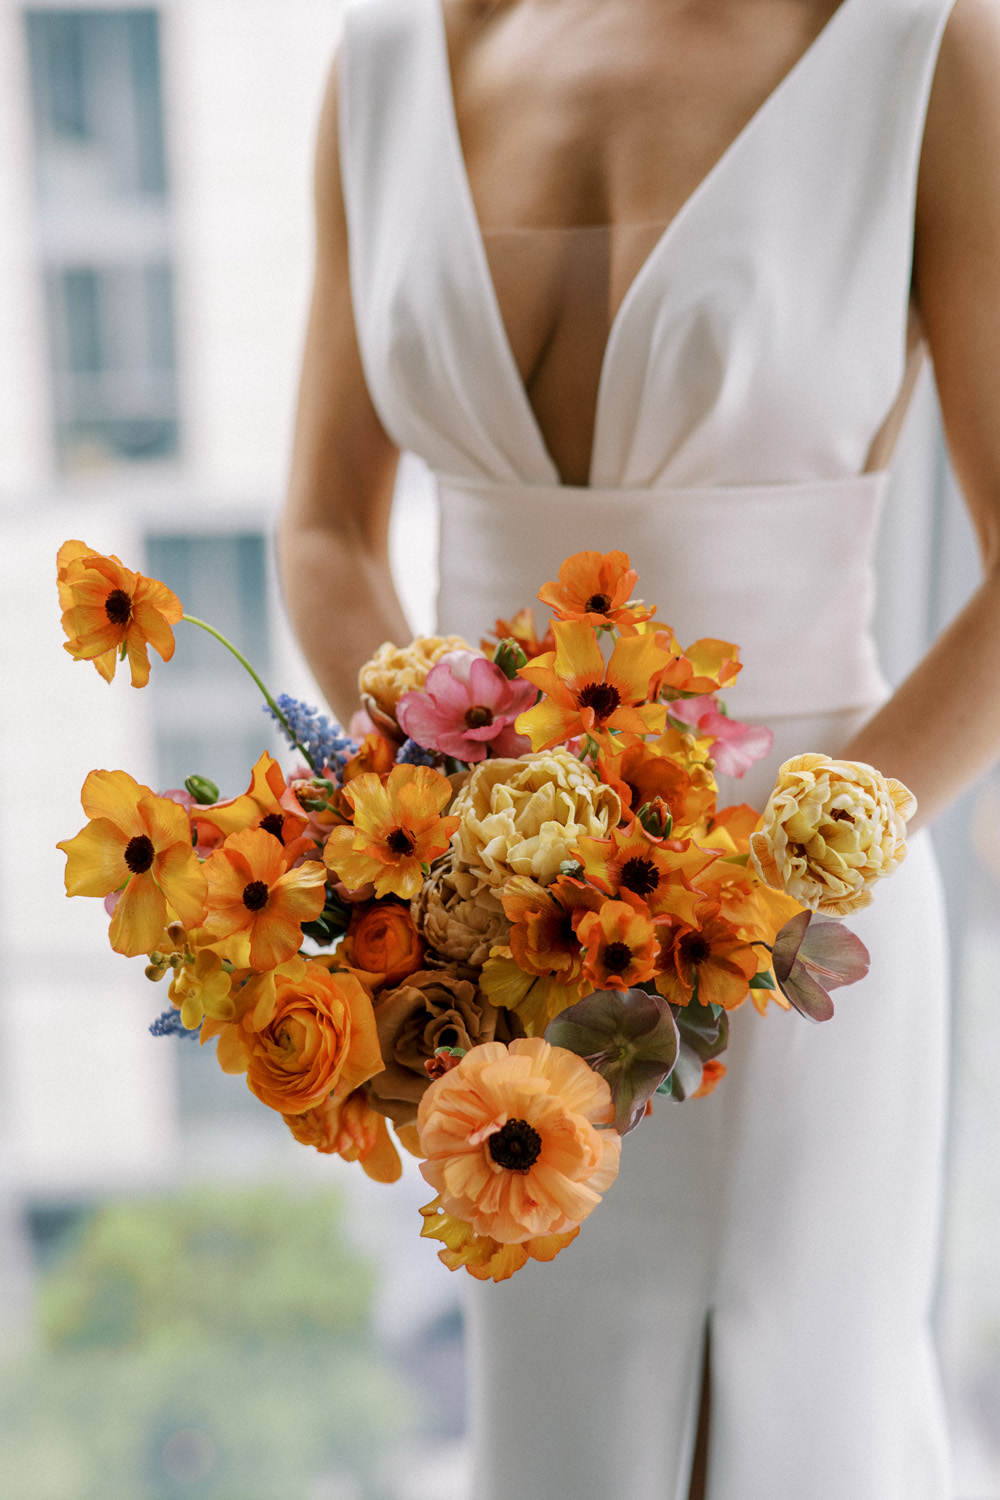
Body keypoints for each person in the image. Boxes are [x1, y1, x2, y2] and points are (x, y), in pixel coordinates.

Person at [278, 0, 1000, 1494]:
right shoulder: (388, 64)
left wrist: (779, 874)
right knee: (567, 1435)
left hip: (804, 920)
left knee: (795, 1420)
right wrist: (437, 833)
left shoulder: (927, 50)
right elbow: (323, 527)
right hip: (493, 935)